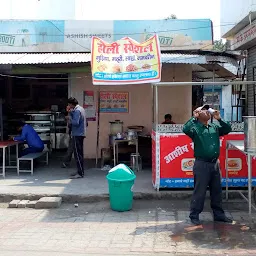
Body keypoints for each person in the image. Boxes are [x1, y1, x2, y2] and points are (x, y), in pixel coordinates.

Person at [183, 105, 232, 226]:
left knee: (217, 191)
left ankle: (219, 215)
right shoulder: (195, 128)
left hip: (215, 163)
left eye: (207, 109)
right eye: (203, 110)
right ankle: (194, 215)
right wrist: (193, 118)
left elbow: (228, 129)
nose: (207, 111)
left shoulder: (214, 127)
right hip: (202, 164)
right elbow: (185, 129)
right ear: (198, 114)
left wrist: (219, 118)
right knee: (199, 191)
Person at [67, 97, 86, 179]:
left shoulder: (77, 110)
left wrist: (69, 118)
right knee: (79, 154)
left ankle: (80, 173)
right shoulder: (80, 109)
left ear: (71, 104)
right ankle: (80, 171)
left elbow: (76, 122)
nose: (68, 105)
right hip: (80, 134)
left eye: (69, 104)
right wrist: (71, 113)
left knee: (77, 154)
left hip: (77, 134)